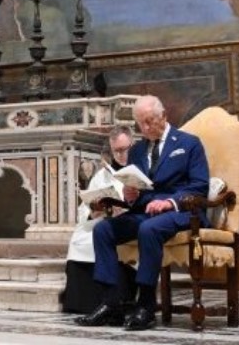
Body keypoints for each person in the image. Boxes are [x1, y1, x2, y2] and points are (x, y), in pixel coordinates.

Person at [76, 95, 210, 331]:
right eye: (141, 123)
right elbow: (141, 186)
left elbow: (200, 187)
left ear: (164, 116)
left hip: (183, 211)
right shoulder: (137, 150)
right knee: (104, 229)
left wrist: (169, 202)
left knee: (149, 229)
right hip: (145, 210)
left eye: (150, 122)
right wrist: (131, 195)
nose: (145, 128)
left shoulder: (189, 143)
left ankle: (146, 305)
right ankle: (111, 302)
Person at [62, 125, 135, 314]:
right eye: (116, 151)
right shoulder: (102, 175)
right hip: (101, 219)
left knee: (103, 235)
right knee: (80, 239)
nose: (120, 155)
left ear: (132, 145)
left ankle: (114, 299)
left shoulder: (139, 171)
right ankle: (81, 303)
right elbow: (84, 208)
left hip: (127, 222)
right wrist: (92, 211)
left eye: (124, 149)